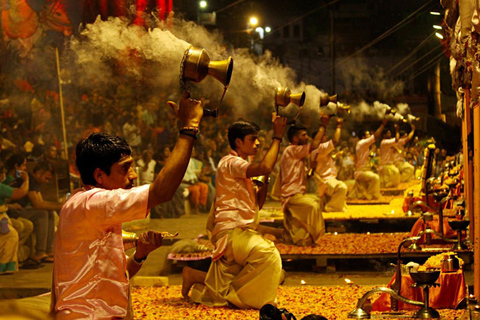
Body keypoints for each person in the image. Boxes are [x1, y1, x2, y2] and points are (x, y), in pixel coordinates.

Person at [51, 93, 204, 319]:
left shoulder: (82, 202)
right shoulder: (94, 202)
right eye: (125, 168)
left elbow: (114, 280)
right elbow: (162, 192)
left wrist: (140, 254)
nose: (133, 176)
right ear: (99, 175)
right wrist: (189, 128)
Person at [181, 115, 288, 309]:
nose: (257, 143)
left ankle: (194, 276)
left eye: (257, 139)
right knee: (269, 255)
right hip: (231, 233)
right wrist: (278, 137)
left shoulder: (242, 168)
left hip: (241, 233)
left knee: (275, 275)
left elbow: (257, 205)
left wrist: (264, 182)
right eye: (252, 139)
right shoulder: (230, 162)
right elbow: (264, 166)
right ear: (238, 142)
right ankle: (238, 299)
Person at [279, 115, 330, 246]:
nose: (307, 138)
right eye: (304, 135)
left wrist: (311, 170)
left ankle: (304, 237)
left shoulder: (297, 153)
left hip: (296, 193)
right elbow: (313, 145)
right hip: (291, 195)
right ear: (295, 139)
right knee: (313, 206)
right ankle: (311, 236)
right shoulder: (291, 150)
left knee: (316, 200)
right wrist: (323, 125)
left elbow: (304, 177)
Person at [310, 117, 347, 212]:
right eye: (324, 135)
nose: (326, 136)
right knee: (342, 187)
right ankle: (331, 208)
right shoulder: (320, 148)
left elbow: (327, 160)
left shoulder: (317, 149)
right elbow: (335, 141)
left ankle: (329, 206)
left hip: (325, 180)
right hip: (325, 181)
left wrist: (338, 155)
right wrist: (339, 125)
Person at [0, 160, 29, 274]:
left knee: (25, 226)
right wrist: (26, 180)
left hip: (3, 215)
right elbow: (19, 193)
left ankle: (16, 257)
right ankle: (3, 266)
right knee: (11, 234)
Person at [350, 118, 388, 200]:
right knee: (375, 178)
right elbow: (375, 136)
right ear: (363, 137)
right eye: (367, 135)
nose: (370, 136)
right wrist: (383, 125)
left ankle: (368, 194)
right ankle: (371, 196)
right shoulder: (361, 143)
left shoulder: (363, 145)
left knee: (376, 175)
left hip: (365, 170)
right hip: (361, 171)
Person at [378, 124, 400, 188]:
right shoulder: (384, 142)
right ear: (384, 135)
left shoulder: (388, 143)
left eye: (390, 133)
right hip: (386, 165)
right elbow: (396, 140)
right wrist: (397, 130)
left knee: (392, 178)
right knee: (393, 175)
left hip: (389, 165)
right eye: (388, 133)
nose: (390, 134)